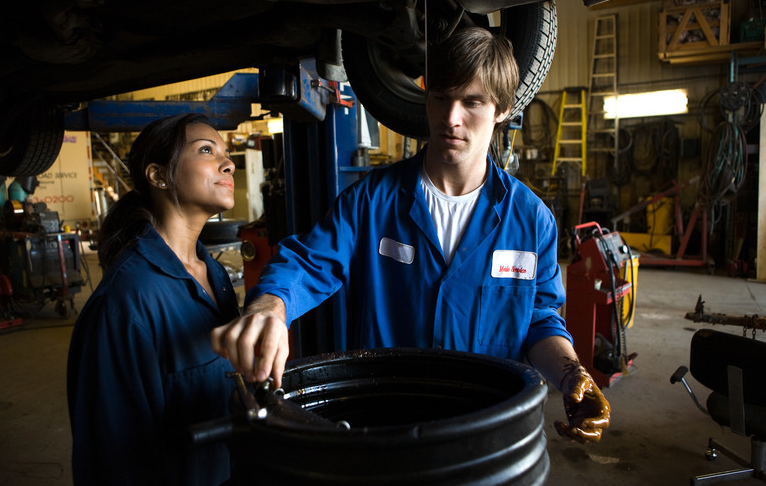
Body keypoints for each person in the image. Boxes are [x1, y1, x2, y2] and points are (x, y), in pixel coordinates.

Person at [211, 27, 610, 444]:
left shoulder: (530, 220)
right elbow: (308, 263)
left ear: (503, 109)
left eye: (472, 102)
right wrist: (270, 309)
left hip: (485, 433)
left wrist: (572, 376)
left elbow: (539, 321)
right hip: (387, 430)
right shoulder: (370, 202)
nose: (450, 118)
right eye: (440, 97)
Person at [67, 113, 239, 484]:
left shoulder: (214, 274)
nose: (229, 163)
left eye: (226, 153)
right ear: (159, 176)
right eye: (206, 150)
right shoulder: (125, 302)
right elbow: (113, 460)